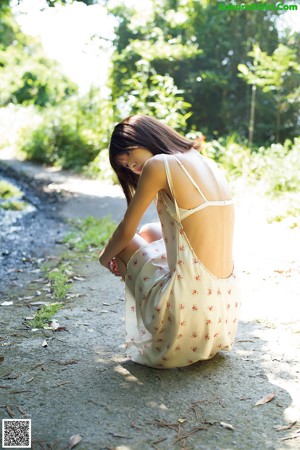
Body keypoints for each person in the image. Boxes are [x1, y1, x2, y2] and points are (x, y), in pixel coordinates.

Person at [99, 114, 241, 369]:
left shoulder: (159, 164)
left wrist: (104, 258)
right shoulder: (206, 162)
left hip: (187, 319)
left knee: (127, 241)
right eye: (127, 168)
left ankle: (164, 326)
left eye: (130, 159)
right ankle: (173, 305)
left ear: (142, 138)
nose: (133, 169)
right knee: (152, 231)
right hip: (223, 316)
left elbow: (125, 230)